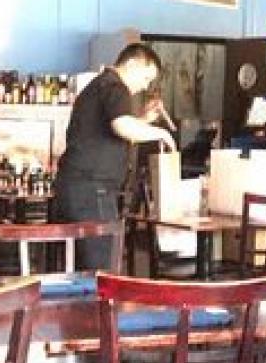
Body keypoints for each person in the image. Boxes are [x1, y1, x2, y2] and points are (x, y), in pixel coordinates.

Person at [54, 43, 175, 269]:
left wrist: (143, 120)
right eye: (146, 78)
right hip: (93, 190)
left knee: (81, 267)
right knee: (102, 268)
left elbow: (112, 130)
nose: (145, 86)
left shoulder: (100, 84)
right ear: (132, 64)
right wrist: (161, 133)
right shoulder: (115, 86)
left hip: (76, 187)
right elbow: (122, 127)